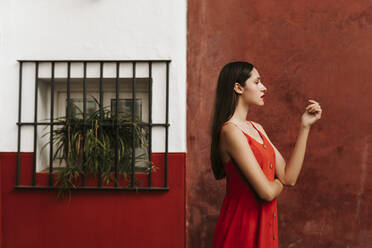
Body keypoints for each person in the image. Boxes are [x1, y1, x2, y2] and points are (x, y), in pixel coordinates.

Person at [210, 61, 322, 247]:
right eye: (257, 82)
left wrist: (305, 127)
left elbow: (290, 178)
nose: (264, 87)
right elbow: (267, 193)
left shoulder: (257, 128)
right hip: (241, 231)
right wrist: (277, 183)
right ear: (238, 87)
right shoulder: (231, 132)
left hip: (265, 226)